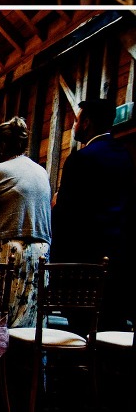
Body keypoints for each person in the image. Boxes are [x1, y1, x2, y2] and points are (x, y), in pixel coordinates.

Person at [52, 98, 136, 330]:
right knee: (111, 323)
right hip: (119, 257)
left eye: (77, 121)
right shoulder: (125, 156)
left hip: (84, 258)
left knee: (81, 327)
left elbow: (67, 215)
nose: (75, 126)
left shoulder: (81, 159)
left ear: (87, 123)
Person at [0, 116, 52, 327]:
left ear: (1, 146)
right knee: (30, 320)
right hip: (42, 251)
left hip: (10, 249)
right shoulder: (41, 171)